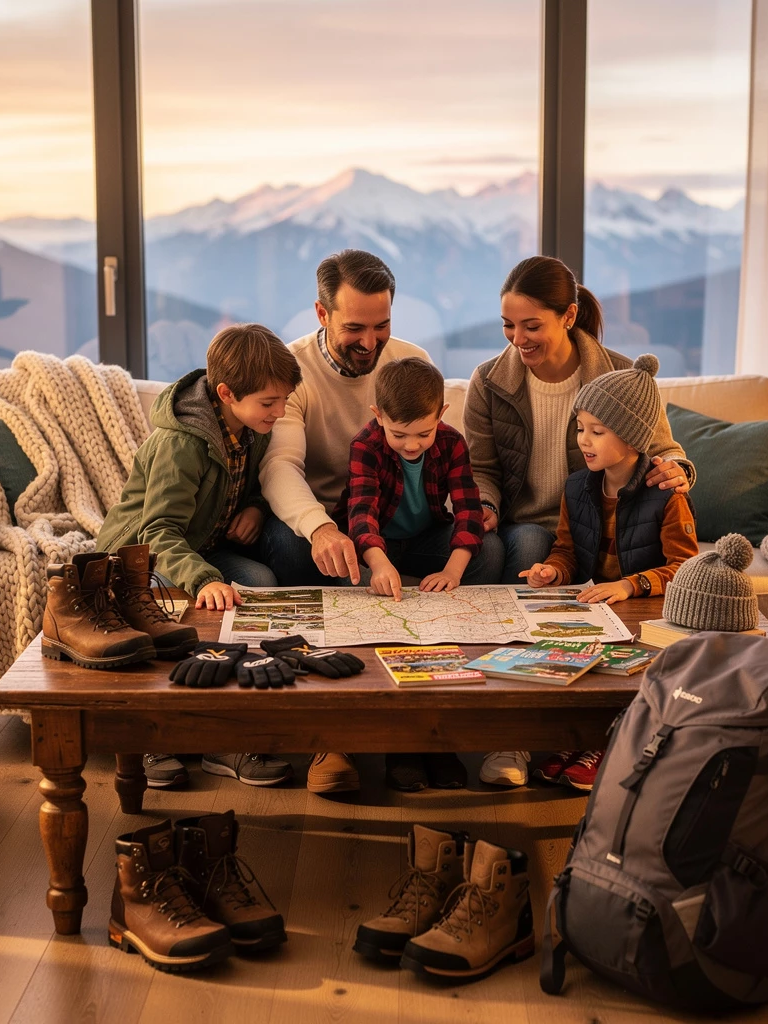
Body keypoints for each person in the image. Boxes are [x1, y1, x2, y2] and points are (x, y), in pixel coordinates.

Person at [464, 255, 695, 787]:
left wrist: (676, 473)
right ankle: (487, 716)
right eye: (508, 326)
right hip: (525, 520)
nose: (517, 339)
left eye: (531, 326)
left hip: (587, 522)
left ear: (569, 316)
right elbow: (481, 468)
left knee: (525, 552)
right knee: (504, 547)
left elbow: (664, 449)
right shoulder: (489, 381)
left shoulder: (618, 377)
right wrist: (486, 507)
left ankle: (515, 738)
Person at [258, 249, 459, 795]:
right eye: (354, 328)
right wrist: (321, 527)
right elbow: (280, 465)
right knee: (294, 550)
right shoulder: (293, 370)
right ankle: (333, 734)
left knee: (485, 554)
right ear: (321, 315)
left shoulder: (411, 362)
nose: (371, 342)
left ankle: (437, 725)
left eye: (382, 325)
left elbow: (445, 457)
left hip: (397, 524)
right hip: (322, 522)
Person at [97, 322, 302, 790]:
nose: (280, 411)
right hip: (138, 558)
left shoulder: (254, 427)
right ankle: (157, 737)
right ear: (227, 393)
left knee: (259, 584)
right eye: (270, 403)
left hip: (200, 549)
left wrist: (253, 506)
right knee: (168, 606)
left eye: (284, 400)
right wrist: (203, 578)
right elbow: (157, 529)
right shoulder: (181, 443)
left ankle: (224, 739)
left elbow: (251, 485)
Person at [519, 353, 699, 792]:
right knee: (558, 657)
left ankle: (605, 746)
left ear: (635, 437)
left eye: (598, 431)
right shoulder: (578, 486)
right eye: (581, 428)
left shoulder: (665, 492)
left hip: (645, 611)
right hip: (595, 605)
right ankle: (571, 741)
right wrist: (552, 572)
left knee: (623, 672)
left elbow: (686, 569)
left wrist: (628, 584)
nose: (585, 440)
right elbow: (567, 550)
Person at [331, 357, 496, 792]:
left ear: (441, 415)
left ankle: (440, 743)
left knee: (489, 551)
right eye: (399, 434)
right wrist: (379, 562)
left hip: (426, 543)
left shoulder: (452, 442)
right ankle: (402, 745)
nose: (411, 445)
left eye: (423, 434)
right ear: (378, 416)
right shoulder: (365, 445)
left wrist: (454, 569)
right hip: (377, 548)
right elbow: (361, 514)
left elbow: (467, 510)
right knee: (359, 581)